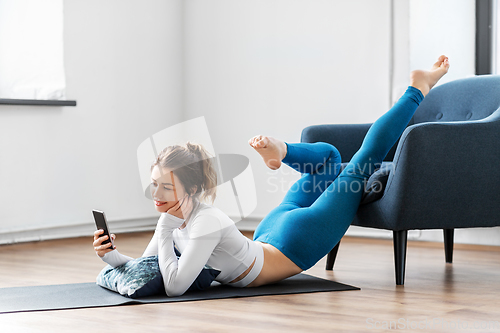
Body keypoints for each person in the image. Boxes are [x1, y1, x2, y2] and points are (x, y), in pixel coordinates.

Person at [94, 56, 450, 296]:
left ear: (192, 189)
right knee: (332, 159)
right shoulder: (179, 218)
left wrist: (164, 228)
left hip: (294, 240)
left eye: (165, 185)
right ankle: (283, 152)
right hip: (272, 234)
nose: (154, 192)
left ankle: (416, 89)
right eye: (155, 182)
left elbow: (174, 286)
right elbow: (148, 267)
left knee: (364, 160)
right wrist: (110, 256)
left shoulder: (203, 223)